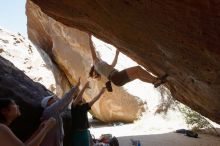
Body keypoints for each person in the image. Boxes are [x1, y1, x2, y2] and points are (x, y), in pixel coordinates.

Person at [88, 35, 168, 91]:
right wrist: (89, 37)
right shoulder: (95, 63)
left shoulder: (100, 67)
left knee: (137, 75)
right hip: (116, 76)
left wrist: (116, 54)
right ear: (93, 70)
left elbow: (112, 65)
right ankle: (156, 80)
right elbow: (91, 48)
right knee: (137, 68)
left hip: (117, 80)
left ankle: (154, 82)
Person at [40, 78, 81, 146]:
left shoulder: (52, 111)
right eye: (52, 99)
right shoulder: (49, 110)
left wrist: (72, 95)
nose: (55, 99)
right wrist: (75, 87)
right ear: (48, 102)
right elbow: (63, 101)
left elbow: (64, 105)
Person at [71, 81, 106, 146]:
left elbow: (94, 100)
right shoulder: (74, 106)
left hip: (85, 132)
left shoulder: (84, 106)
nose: (81, 97)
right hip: (77, 134)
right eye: (79, 96)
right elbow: (78, 97)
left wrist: (101, 93)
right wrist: (84, 87)